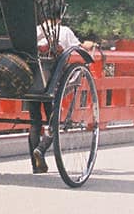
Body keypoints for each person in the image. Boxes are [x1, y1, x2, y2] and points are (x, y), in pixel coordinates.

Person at [30, 18, 96, 173]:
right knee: (53, 122)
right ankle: (40, 149)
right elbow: (81, 48)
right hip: (50, 82)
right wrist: (91, 44)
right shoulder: (64, 31)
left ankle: (36, 166)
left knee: (35, 122)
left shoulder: (33, 32)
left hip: (30, 80)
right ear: (58, 18)